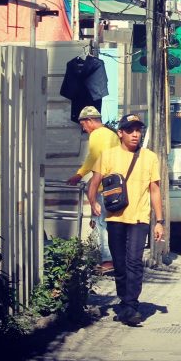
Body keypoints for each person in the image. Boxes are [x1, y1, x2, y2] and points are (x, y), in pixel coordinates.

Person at [87, 113, 164, 327]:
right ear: (120, 133)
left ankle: (131, 305)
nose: (135, 135)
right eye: (130, 130)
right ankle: (124, 302)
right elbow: (94, 183)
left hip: (139, 217)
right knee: (120, 264)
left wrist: (159, 221)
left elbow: (155, 190)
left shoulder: (149, 157)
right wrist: (93, 202)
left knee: (134, 261)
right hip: (115, 217)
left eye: (138, 130)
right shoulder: (108, 155)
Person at [66, 106, 119, 274]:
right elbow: (94, 157)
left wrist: (83, 178)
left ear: (89, 121)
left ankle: (108, 260)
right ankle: (116, 259)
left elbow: (95, 158)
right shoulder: (111, 134)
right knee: (111, 224)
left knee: (102, 223)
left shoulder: (97, 134)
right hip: (118, 186)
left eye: (83, 125)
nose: (84, 129)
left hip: (104, 186)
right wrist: (80, 173)